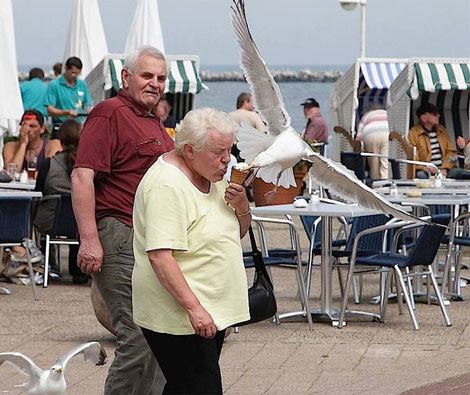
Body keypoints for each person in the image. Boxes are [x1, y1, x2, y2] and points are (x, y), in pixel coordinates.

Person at [71, 45, 173, 395]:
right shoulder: (108, 113)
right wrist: (89, 239)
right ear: (126, 77)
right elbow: (82, 177)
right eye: (147, 76)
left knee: (161, 332)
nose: (155, 83)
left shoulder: (153, 120)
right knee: (138, 334)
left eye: (161, 78)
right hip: (118, 232)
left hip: (150, 238)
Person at [132, 107, 250, 394]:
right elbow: (160, 257)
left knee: (185, 385)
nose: (227, 159)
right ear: (189, 150)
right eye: (219, 152)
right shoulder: (167, 185)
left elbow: (237, 231)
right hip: (181, 314)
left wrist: (244, 208)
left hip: (212, 307)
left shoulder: (214, 175)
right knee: (201, 385)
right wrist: (195, 309)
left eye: (230, 150)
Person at [33, 119, 87, 284]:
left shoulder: (48, 164)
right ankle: (78, 271)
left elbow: (38, 193)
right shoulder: (87, 165)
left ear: (60, 140)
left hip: (51, 220)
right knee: (77, 219)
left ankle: (47, 263)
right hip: (81, 222)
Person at [408, 102, 462, 179]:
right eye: (434, 114)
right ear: (424, 117)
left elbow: (451, 152)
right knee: (421, 176)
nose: (438, 115)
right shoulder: (413, 133)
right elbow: (413, 157)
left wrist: (445, 168)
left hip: (443, 169)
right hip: (426, 171)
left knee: (461, 172)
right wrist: (425, 168)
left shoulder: (441, 130)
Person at [44, 57, 93, 139]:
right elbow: (50, 110)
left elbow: (88, 103)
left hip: (78, 126)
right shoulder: (54, 85)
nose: (75, 76)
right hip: (61, 126)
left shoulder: (82, 84)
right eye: (73, 73)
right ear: (66, 68)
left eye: (78, 74)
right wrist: (67, 112)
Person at [356, 105, 390, 179]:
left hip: (370, 134)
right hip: (386, 133)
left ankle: (375, 183)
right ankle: (385, 183)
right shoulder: (386, 113)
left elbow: (358, 137)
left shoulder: (366, 116)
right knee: (385, 162)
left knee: (374, 164)